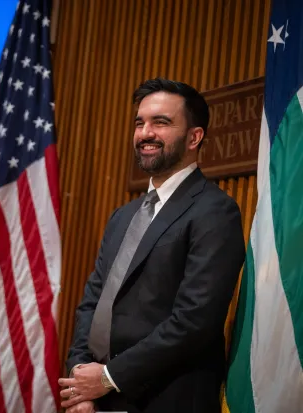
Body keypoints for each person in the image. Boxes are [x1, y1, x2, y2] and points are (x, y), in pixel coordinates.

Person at [58, 78, 246, 413]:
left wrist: (108, 378)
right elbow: (92, 303)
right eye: (140, 123)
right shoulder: (122, 216)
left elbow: (194, 322)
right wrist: (80, 381)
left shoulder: (216, 211)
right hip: (99, 399)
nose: (145, 133)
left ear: (194, 137)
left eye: (161, 122)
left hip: (166, 399)